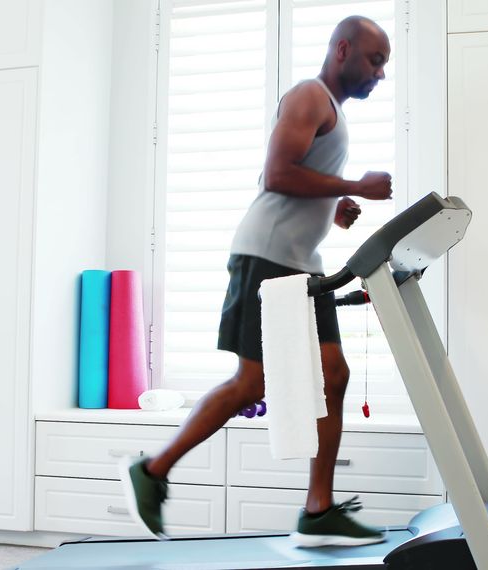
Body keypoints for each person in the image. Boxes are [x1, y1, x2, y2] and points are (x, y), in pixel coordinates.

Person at [121, 15, 394, 547]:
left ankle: (319, 508)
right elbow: (275, 173)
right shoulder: (309, 96)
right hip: (265, 257)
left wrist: (333, 202)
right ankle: (153, 470)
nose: (380, 74)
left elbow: (294, 173)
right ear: (342, 50)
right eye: (374, 60)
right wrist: (354, 183)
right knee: (253, 384)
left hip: (303, 262)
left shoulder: (331, 110)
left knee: (333, 375)